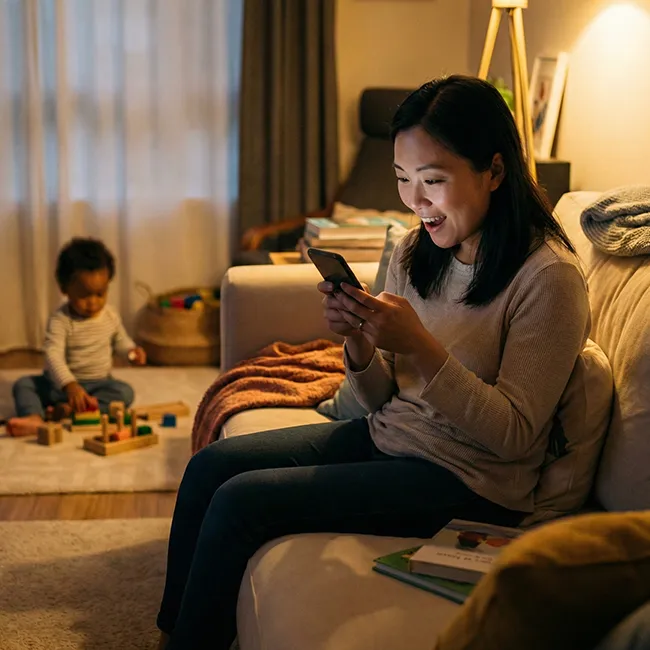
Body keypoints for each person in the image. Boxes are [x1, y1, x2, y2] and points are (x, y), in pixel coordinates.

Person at [156, 75, 590, 649]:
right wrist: (359, 341)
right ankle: (170, 635)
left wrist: (419, 346)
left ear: (493, 171)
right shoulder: (417, 250)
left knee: (241, 503)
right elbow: (379, 400)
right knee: (212, 468)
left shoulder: (547, 279)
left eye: (433, 181)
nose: (415, 202)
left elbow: (513, 436)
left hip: (470, 482)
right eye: (403, 180)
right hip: (391, 437)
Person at [7, 237, 146, 436]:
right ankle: (34, 417)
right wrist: (69, 385)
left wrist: (131, 351)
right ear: (64, 289)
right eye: (84, 295)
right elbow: (52, 355)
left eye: (100, 293)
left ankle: (71, 412)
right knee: (23, 385)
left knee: (125, 392)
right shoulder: (61, 319)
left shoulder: (110, 315)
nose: (93, 302)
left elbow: (120, 340)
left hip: (98, 385)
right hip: (60, 387)